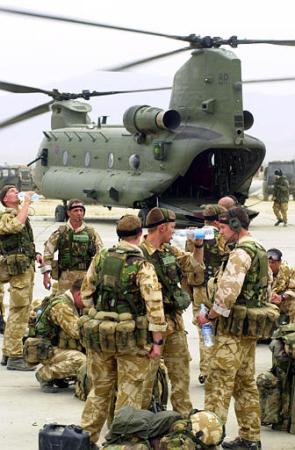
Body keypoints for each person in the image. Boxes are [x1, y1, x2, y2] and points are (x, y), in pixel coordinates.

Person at [80, 214, 167, 446]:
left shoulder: (100, 258)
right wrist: (157, 342)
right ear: (140, 235)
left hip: (102, 339)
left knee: (98, 392)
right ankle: (120, 443)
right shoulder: (142, 265)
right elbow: (154, 307)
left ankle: (85, 440)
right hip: (132, 343)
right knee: (129, 396)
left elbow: (86, 294)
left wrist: (104, 316)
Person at [197, 206, 277, 450]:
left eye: (222, 227)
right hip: (247, 332)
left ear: (234, 225)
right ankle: (250, 437)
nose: (220, 233)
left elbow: (227, 293)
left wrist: (209, 316)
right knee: (245, 385)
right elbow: (267, 288)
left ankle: (209, 439)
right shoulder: (260, 250)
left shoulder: (240, 253)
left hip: (231, 332)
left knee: (218, 384)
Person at [140, 207, 204, 418]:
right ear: (161, 227)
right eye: (172, 228)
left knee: (180, 371)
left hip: (174, 322)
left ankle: (182, 416)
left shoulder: (170, 251)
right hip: (150, 325)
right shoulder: (139, 253)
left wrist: (198, 246)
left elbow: (194, 265)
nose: (174, 233)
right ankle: (140, 417)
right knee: (146, 374)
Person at [0, 185, 43, 370]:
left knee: (20, 310)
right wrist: (26, 202)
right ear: (4, 199)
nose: (16, 192)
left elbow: (23, 241)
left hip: (25, 266)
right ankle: (15, 356)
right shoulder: (6, 216)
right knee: (20, 310)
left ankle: (8, 352)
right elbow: (16, 226)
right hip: (18, 270)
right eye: (11, 191)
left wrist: (36, 254)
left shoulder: (20, 214)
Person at [187, 204, 227, 384]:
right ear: (218, 220)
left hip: (199, 290)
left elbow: (188, 262)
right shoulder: (222, 237)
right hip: (216, 289)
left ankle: (205, 368)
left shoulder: (195, 236)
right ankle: (216, 367)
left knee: (205, 329)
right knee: (219, 329)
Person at [34, 278, 86, 393]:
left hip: (59, 347)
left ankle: (59, 377)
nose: (89, 302)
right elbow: (76, 332)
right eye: (87, 298)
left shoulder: (73, 303)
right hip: (47, 350)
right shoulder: (61, 306)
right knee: (81, 360)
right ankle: (45, 374)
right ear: (78, 294)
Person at [41, 199, 103, 292]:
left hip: (86, 277)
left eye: (81, 210)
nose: (79, 213)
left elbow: (100, 253)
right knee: (64, 305)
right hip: (66, 277)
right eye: (76, 210)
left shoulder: (91, 232)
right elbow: (48, 253)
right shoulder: (61, 232)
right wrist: (46, 275)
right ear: (68, 213)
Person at [267, 248, 295, 323]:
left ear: (279, 263)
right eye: (268, 262)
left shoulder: (288, 271)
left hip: (280, 300)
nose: (269, 265)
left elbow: (293, 289)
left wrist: (282, 297)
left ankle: (291, 330)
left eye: (273, 263)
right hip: (263, 300)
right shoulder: (259, 270)